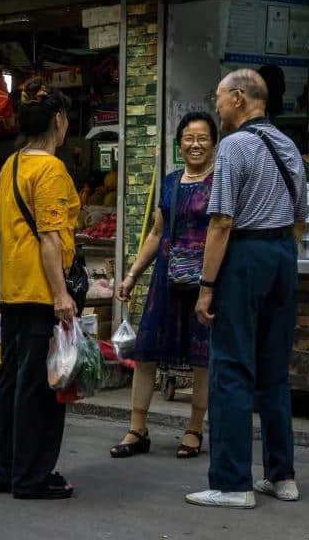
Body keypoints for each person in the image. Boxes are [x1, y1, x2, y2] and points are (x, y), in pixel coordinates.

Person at [185, 68, 308, 510]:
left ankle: (232, 483)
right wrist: (280, 257)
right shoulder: (288, 145)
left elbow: (221, 222)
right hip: (283, 255)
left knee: (231, 369)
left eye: (219, 98)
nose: (216, 106)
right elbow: (300, 218)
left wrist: (206, 287)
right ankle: (282, 476)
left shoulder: (234, 146)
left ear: (238, 97)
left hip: (245, 255)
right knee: (274, 372)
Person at [0, 77, 80, 500]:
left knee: (12, 383)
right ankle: (31, 477)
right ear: (58, 120)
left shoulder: (11, 165)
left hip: (12, 291)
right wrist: (61, 294)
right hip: (41, 292)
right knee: (40, 390)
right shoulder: (51, 170)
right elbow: (49, 237)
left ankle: (6, 470)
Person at [111, 112, 218, 460]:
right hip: (165, 279)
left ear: (214, 144)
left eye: (202, 138)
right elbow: (157, 233)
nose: (195, 144)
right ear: (179, 144)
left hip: (203, 281)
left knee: (202, 358)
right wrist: (132, 275)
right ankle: (137, 429)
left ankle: (194, 429)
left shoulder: (220, 182)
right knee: (146, 352)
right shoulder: (170, 182)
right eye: (189, 138)